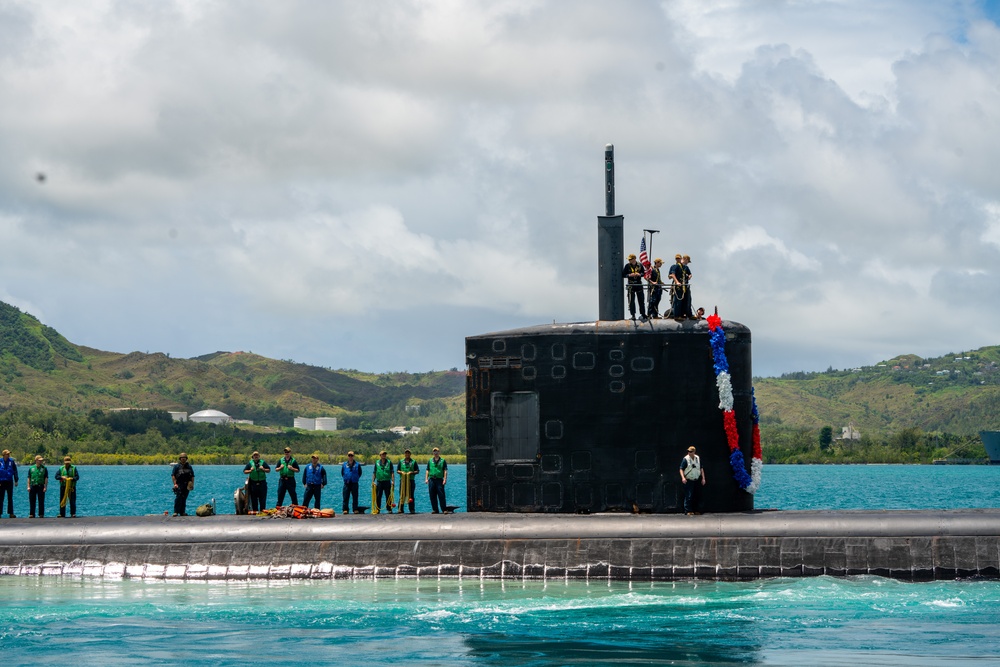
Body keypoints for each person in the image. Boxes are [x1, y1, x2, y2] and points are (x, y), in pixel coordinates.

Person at [679, 446, 706, 515]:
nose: (689, 453)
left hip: (697, 479)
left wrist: (703, 478)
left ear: (694, 452)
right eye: (688, 451)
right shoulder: (686, 459)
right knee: (689, 495)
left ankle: (697, 510)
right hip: (689, 479)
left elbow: (701, 468)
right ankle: (688, 510)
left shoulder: (698, 458)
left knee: (697, 495)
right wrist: (683, 478)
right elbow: (681, 469)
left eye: (690, 452)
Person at [621, 253, 647, 320]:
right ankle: (633, 315)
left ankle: (643, 314)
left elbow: (643, 273)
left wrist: (639, 274)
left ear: (634, 259)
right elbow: (623, 274)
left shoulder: (640, 265)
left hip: (638, 284)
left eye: (630, 259)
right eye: (629, 259)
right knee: (631, 301)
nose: (629, 261)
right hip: (631, 285)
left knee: (641, 300)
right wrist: (629, 275)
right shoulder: (627, 266)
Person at [668, 254, 692, 320]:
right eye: (687, 261)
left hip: (684, 286)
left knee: (687, 300)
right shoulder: (676, 266)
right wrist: (677, 282)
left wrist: (690, 276)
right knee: (678, 301)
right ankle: (677, 315)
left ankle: (687, 314)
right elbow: (672, 275)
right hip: (679, 286)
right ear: (685, 259)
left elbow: (689, 273)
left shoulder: (685, 267)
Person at [425, 447, 448, 514]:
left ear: (439, 452)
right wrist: (426, 479)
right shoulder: (430, 461)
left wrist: (445, 479)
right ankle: (435, 509)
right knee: (432, 495)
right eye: (434, 452)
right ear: (433, 453)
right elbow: (427, 470)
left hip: (439, 480)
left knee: (441, 495)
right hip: (431, 479)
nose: (435, 453)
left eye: (437, 451)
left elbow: (445, 470)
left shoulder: (443, 461)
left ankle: (444, 509)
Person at [396, 449, 419, 514]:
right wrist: (401, 472)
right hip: (403, 481)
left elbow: (417, 471)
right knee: (402, 494)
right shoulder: (401, 461)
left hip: (410, 480)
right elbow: (397, 470)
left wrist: (411, 472)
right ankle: (400, 509)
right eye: (406, 453)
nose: (407, 454)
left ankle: (411, 509)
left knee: (411, 495)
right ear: (404, 454)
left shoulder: (413, 462)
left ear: (410, 454)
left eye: (408, 453)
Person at [0, 449, 18, 518]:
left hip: (9, 481)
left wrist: (16, 480)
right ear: (4, 455)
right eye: (7, 454)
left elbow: (15, 471)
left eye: (9, 454)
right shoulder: (0, 461)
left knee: (10, 498)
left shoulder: (11, 461)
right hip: (1, 481)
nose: (8, 455)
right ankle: (0, 513)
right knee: (1, 498)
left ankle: (11, 513)